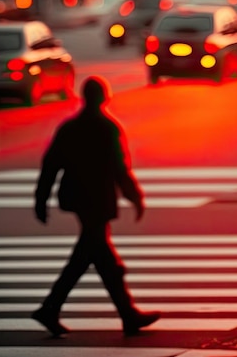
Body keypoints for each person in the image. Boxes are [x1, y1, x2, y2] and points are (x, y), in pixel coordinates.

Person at [32, 75, 160, 338]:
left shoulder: (69, 128)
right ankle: (123, 314)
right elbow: (120, 168)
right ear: (104, 97)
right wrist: (134, 196)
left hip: (77, 199)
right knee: (98, 256)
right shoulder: (107, 128)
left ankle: (56, 309)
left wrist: (41, 199)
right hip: (98, 200)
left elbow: (51, 165)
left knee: (94, 257)